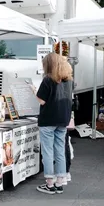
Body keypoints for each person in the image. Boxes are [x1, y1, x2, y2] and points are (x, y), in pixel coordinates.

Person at [33, 53, 73, 195]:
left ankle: (49, 184)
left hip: (48, 120)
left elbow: (42, 100)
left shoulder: (48, 79)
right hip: (63, 120)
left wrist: (33, 90)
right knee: (60, 150)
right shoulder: (69, 80)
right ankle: (60, 182)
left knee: (48, 151)